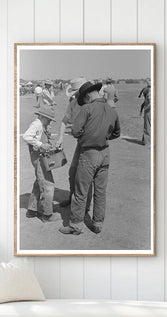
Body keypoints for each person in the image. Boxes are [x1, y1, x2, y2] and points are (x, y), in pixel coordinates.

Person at [59, 81, 121, 235]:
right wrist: (102, 136)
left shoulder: (87, 108)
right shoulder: (112, 110)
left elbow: (76, 131)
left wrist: (88, 136)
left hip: (89, 154)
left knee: (81, 191)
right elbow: (117, 133)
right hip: (105, 154)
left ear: (87, 95)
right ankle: (98, 223)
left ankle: (75, 225)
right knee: (100, 191)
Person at [56, 77, 92, 209]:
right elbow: (64, 121)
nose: (75, 96)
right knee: (73, 173)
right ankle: (73, 198)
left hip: (90, 144)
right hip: (80, 143)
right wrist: (60, 137)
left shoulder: (92, 104)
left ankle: (85, 205)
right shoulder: (73, 103)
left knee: (86, 177)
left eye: (77, 93)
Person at [22, 105, 61, 223]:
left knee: (40, 181)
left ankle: (32, 209)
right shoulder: (37, 124)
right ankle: (47, 214)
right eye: (49, 119)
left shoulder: (41, 125)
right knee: (48, 184)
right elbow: (26, 136)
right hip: (38, 157)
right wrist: (40, 144)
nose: (49, 121)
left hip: (38, 156)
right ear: (43, 117)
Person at [142, 79, 152, 146]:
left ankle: (147, 141)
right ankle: (145, 140)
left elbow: (150, 102)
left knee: (147, 125)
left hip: (149, 110)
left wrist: (146, 108)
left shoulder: (150, 91)